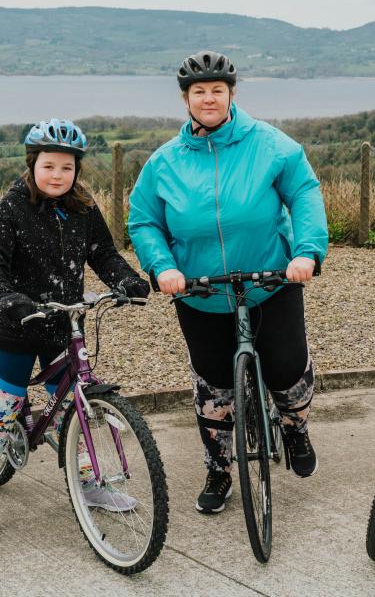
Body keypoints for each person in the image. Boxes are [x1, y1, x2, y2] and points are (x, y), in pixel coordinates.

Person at [128, 50, 328, 514]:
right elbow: (143, 222)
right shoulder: (164, 162)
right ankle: (219, 470)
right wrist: (162, 268)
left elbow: (304, 194)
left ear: (231, 94)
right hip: (199, 291)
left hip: (271, 280)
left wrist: (306, 252)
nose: (209, 98)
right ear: (186, 100)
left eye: (217, 90)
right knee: (214, 387)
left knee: (286, 367)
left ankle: (296, 430)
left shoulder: (272, 144)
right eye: (200, 92)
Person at [0, 118, 150, 511]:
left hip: (63, 323)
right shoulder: (12, 207)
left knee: (72, 405)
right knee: (6, 408)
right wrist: (12, 299)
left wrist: (127, 280)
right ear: (32, 164)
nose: (57, 174)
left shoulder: (83, 207)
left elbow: (103, 253)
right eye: (49, 165)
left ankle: (90, 484)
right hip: (15, 326)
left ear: (77, 170)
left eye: (67, 167)